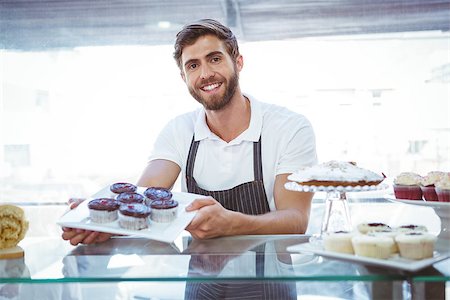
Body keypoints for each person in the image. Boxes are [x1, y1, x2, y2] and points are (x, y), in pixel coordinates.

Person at [62, 18, 317, 246]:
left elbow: (295, 219)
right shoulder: (178, 131)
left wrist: (231, 223)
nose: (206, 74)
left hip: (271, 280)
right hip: (202, 278)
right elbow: (143, 201)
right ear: (184, 77)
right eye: (193, 65)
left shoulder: (290, 128)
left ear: (238, 62)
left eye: (215, 59)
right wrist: (102, 223)